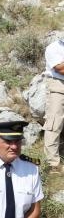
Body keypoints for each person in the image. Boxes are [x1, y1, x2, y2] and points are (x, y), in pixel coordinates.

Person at [43, 36, 64, 171]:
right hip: (58, 87)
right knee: (54, 124)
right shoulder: (54, 47)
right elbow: (60, 69)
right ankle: (53, 164)